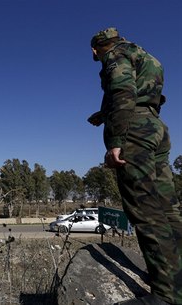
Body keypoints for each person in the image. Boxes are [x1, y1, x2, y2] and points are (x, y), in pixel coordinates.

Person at [88, 27, 182, 304]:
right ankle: (176, 277)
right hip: (155, 128)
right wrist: (103, 114)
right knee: (169, 208)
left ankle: (167, 295)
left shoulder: (115, 56)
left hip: (135, 133)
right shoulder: (146, 56)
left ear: (100, 46)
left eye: (94, 48)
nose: (93, 54)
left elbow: (123, 90)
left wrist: (117, 140)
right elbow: (147, 94)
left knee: (145, 211)